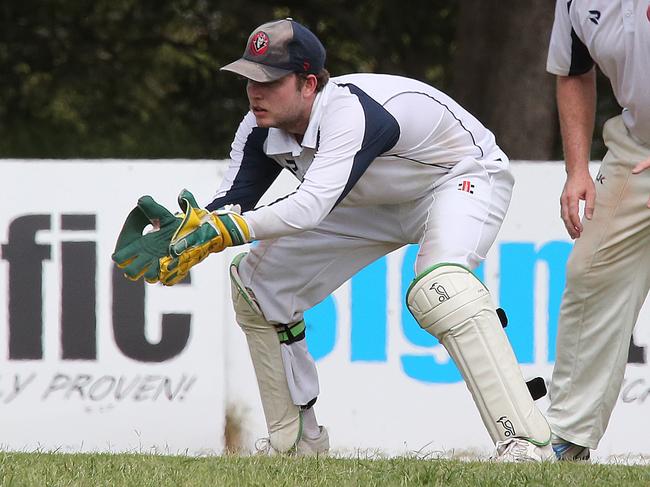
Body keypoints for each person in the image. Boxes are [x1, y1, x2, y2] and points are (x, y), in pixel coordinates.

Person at [112, 18, 554, 461]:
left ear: (308, 84)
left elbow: (309, 207)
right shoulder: (258, 126)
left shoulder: (349, 112)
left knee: (443, 290)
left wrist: (225, 230)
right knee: (257, 286)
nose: (255, 92)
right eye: (249, 78)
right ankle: (296, 444)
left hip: (457, 178)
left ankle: (527, 442)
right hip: (366, 201)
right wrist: (191, 228)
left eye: (269, 80)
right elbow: (235, 201)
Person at [545, 0, 650, 461]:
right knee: (590, 273)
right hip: (637, 147)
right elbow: (573, 72)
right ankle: (568, 436)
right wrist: (576, 171)